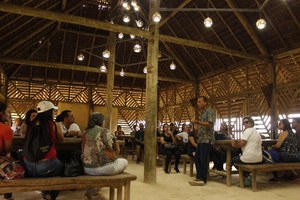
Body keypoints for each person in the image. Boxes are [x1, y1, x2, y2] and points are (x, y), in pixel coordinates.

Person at [23, 101, 64, 200]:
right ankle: (51, 195)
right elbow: (61, 139)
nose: (54, 114)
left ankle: (46, 192)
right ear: (49, 112)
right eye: (52, 111)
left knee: (51, 171)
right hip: (48, 166)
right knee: (64, 168)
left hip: (29, 166)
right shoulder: (54, 125)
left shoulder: (29, 125)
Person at [189, 96, 215, 186]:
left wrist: (197, 122)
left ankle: (203, 179)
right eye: (197, 102)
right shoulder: (202, 113)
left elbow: (210, 124)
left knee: (203, 159)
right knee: (197, 158)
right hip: (201, 139)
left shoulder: (210, 111)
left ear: (205, 102)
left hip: (207, 139)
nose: (198, 103)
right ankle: (199, 177)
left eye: (200, 101)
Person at [231, 116, 262, 186]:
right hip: (259, 159)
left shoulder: (248, 130)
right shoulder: (256, 132)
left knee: (233, 160)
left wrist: (234, 145)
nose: (245, 124)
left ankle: (246, 178)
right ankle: (248, 176)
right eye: (244, 123)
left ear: (251, 123)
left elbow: (242, 143)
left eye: (246, 122)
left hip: (249, 159)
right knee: (241, 157)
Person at [0, 102, 14, 200]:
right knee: (10, 165)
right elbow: (7, 149)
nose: (9, 114)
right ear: (1, 113)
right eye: (7, 112)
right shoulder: (5, 128)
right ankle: (8, 197)